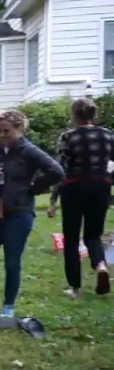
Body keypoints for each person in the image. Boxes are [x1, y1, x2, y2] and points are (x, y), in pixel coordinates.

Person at [0, 110, 64, 319]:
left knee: (11, 262)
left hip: (18, 213)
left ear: (19, 129)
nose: (2, 135)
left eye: (6, 131)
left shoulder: (29, 151)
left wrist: (33, 189)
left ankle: (8, 306)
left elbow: (57, 171)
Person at [46, 97, 113, 298]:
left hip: (74, 188)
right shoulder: (109, 136)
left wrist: (53, 200)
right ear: (94, 114)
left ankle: (74, 287)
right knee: (94, 234)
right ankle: (100, 265)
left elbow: (61, 170)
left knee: (72, 238)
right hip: (100, 187)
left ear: (74, 115)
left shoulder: (68, 137)